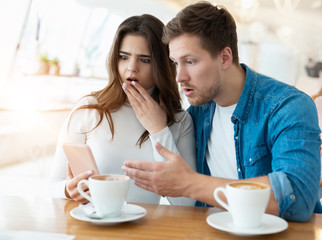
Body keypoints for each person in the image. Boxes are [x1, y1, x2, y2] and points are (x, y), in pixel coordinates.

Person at [122, 2, 322, 221]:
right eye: (175, 63)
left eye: (190, 61)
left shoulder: (288, 107)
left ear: (225, 57)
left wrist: (190, 183)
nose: (180, 76)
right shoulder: (197, 114)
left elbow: (298, 198)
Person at [49, 14, 196, 206]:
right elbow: (54, 185)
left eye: (145, 60)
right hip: (94, 228)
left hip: (146, 231)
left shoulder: (179, 120)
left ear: (161, 64)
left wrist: (159, 130)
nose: (131, 68)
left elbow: (185, 204)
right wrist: (68, 190)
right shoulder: (89, 109)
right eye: (124, 57)